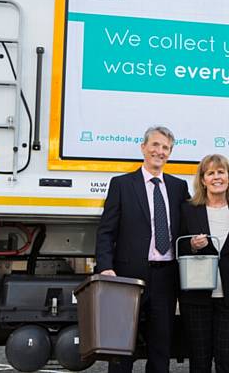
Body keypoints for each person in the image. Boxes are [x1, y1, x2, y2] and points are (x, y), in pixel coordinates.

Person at [95, 126, 189, 373]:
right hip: (128, 277)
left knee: (161, 346)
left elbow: (196, 215)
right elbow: (106, 231)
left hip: (166, 277)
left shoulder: (179, 187)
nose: (160, 151)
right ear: (143, 147)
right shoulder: (122, 185)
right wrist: (105, 267)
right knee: (122, 346)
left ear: (170, 153)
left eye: (165, 147)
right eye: (155, 145)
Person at [178, 154, 229, 373]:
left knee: (227, 361)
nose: (217, 177)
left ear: (228, 177)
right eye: (211, 173)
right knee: (199, 361)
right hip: (197, 296)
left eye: (221, 172)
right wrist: (192, 245)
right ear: (202, 179)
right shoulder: (189, 209)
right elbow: (176, 245)